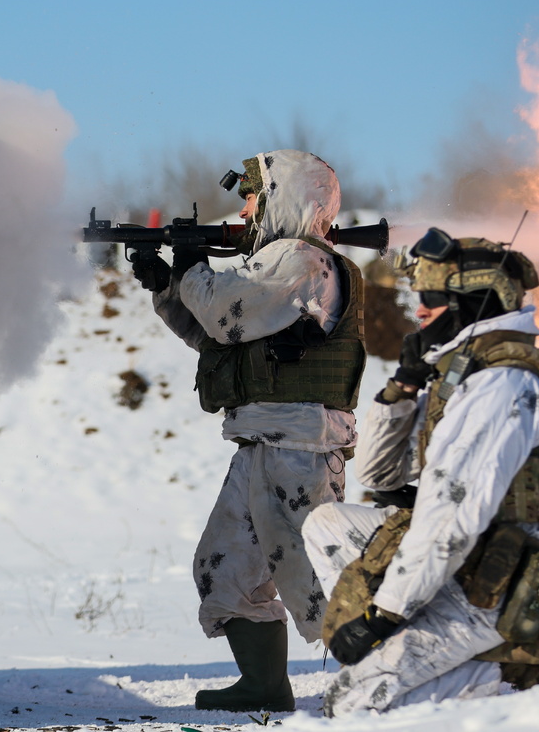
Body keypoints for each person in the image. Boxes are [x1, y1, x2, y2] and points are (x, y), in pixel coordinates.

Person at [302, 227, 539, 715]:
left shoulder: (502, 386)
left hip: (491, 589)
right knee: (326, 524)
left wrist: (383, 615)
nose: (418, 310)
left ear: (473, 303)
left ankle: (497, 673)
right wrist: (403, 387)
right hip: (465, 562)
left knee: (348, 706)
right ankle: (407, 657)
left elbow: (449, 520)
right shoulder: (466, 372)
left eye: (431, 298)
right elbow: (378, 473)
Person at [132, 150, 367, 712]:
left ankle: (406, 668)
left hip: (301, 448)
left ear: (288, 197)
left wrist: (190, 266)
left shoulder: (302, 261)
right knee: (227, 565)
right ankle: (264, 685)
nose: (245, 208)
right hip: (264, 441)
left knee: (320, 580)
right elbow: (216, 335)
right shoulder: (274, 264)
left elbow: (224, 312)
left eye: (255, 196)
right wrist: (168, 283)